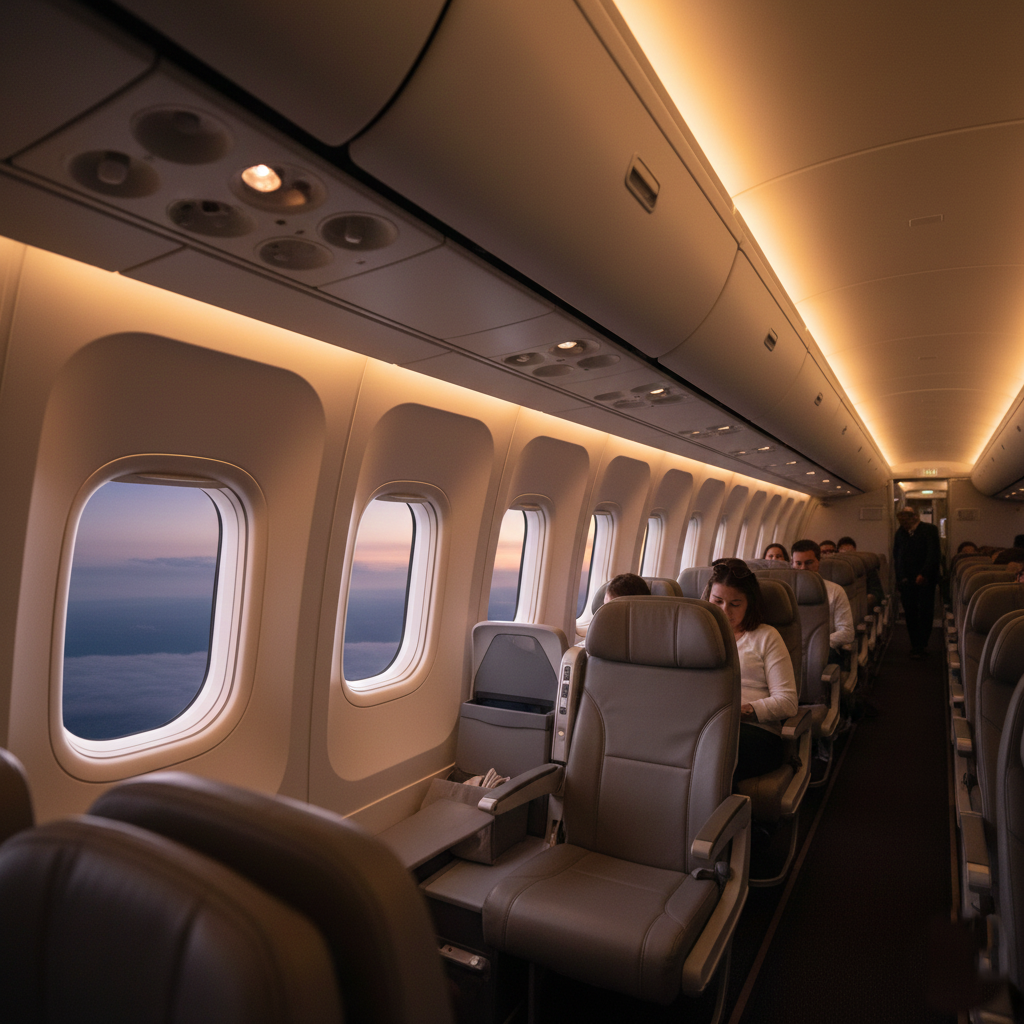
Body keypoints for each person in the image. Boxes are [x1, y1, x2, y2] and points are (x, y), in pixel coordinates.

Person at [702, 558, 797, 781]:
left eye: (735, 604)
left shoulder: (766, 637)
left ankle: (722, 815)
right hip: (707, 727)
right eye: (717, 601)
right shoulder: (698, 635)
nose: (725, 610)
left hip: (755, 731)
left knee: (716, 754)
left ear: (749, 605)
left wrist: (743, 710)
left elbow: (788, 701)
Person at [790, 539, 855, 656]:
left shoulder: (835, 591)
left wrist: (815, 644)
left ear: (818, 562)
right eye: (798, 563)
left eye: (809, 562)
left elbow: (847, 632)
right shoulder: (786, 592)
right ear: (792, 564)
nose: (803, 568)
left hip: (823, 650)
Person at [893, 508, 940, 659]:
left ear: (915, 517)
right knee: (910, 612)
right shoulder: (900, 533)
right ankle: (915, 645)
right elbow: (897, 556)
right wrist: (900, 577)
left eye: (905, 519)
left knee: (925, 611)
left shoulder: (929, 530)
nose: (903, 522)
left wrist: (924, 573)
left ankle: (923, 643)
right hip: (906, 579)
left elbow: (933, 554)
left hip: (925, 579)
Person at [836, 536, 884, 609]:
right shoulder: (836, 571)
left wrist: (867, 600)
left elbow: (877, 592)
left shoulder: (867, 568)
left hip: (861, 606)